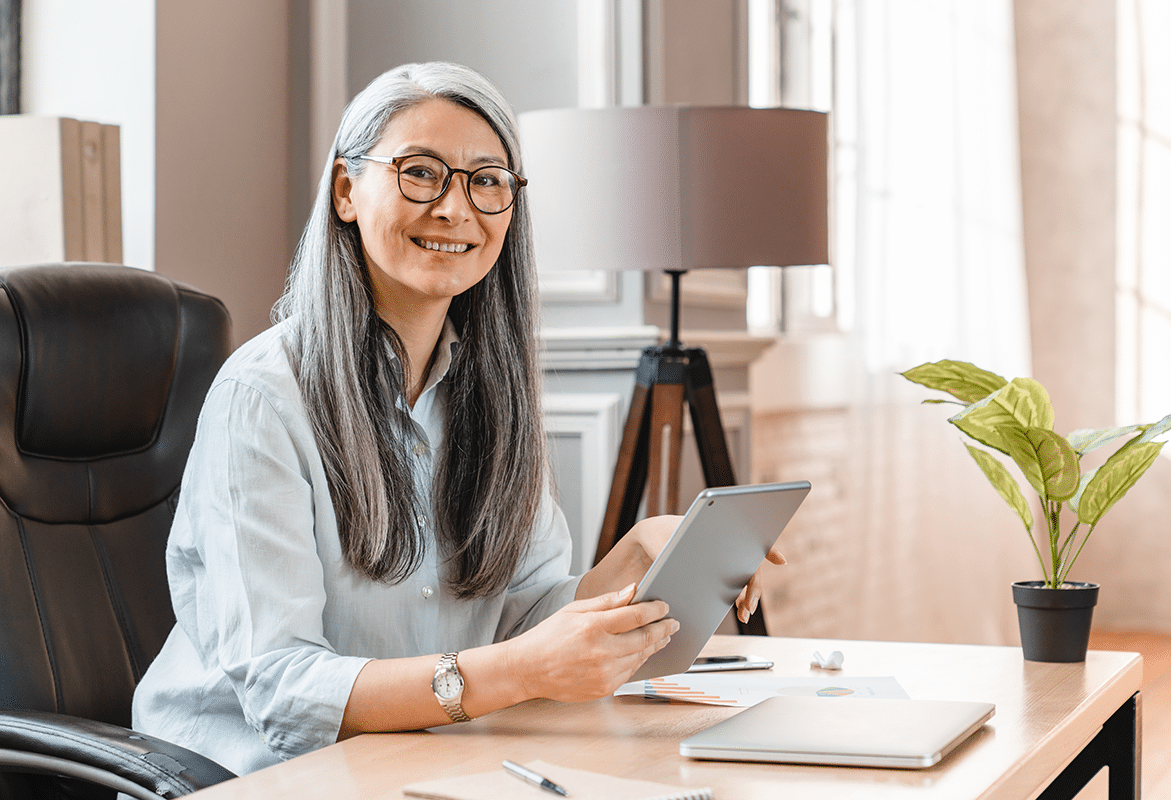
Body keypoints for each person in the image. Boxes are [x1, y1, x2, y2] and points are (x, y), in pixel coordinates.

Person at [131, 61, 782, 775]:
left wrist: (641, 557)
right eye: (420, 172)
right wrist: (518, 673)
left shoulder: (492, 391)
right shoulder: (264, 398)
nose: (454, 209)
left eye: (487, 180)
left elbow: (523, 618)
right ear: (347, 191)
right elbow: (285, 692)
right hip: (251, 774)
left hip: (420, 762)